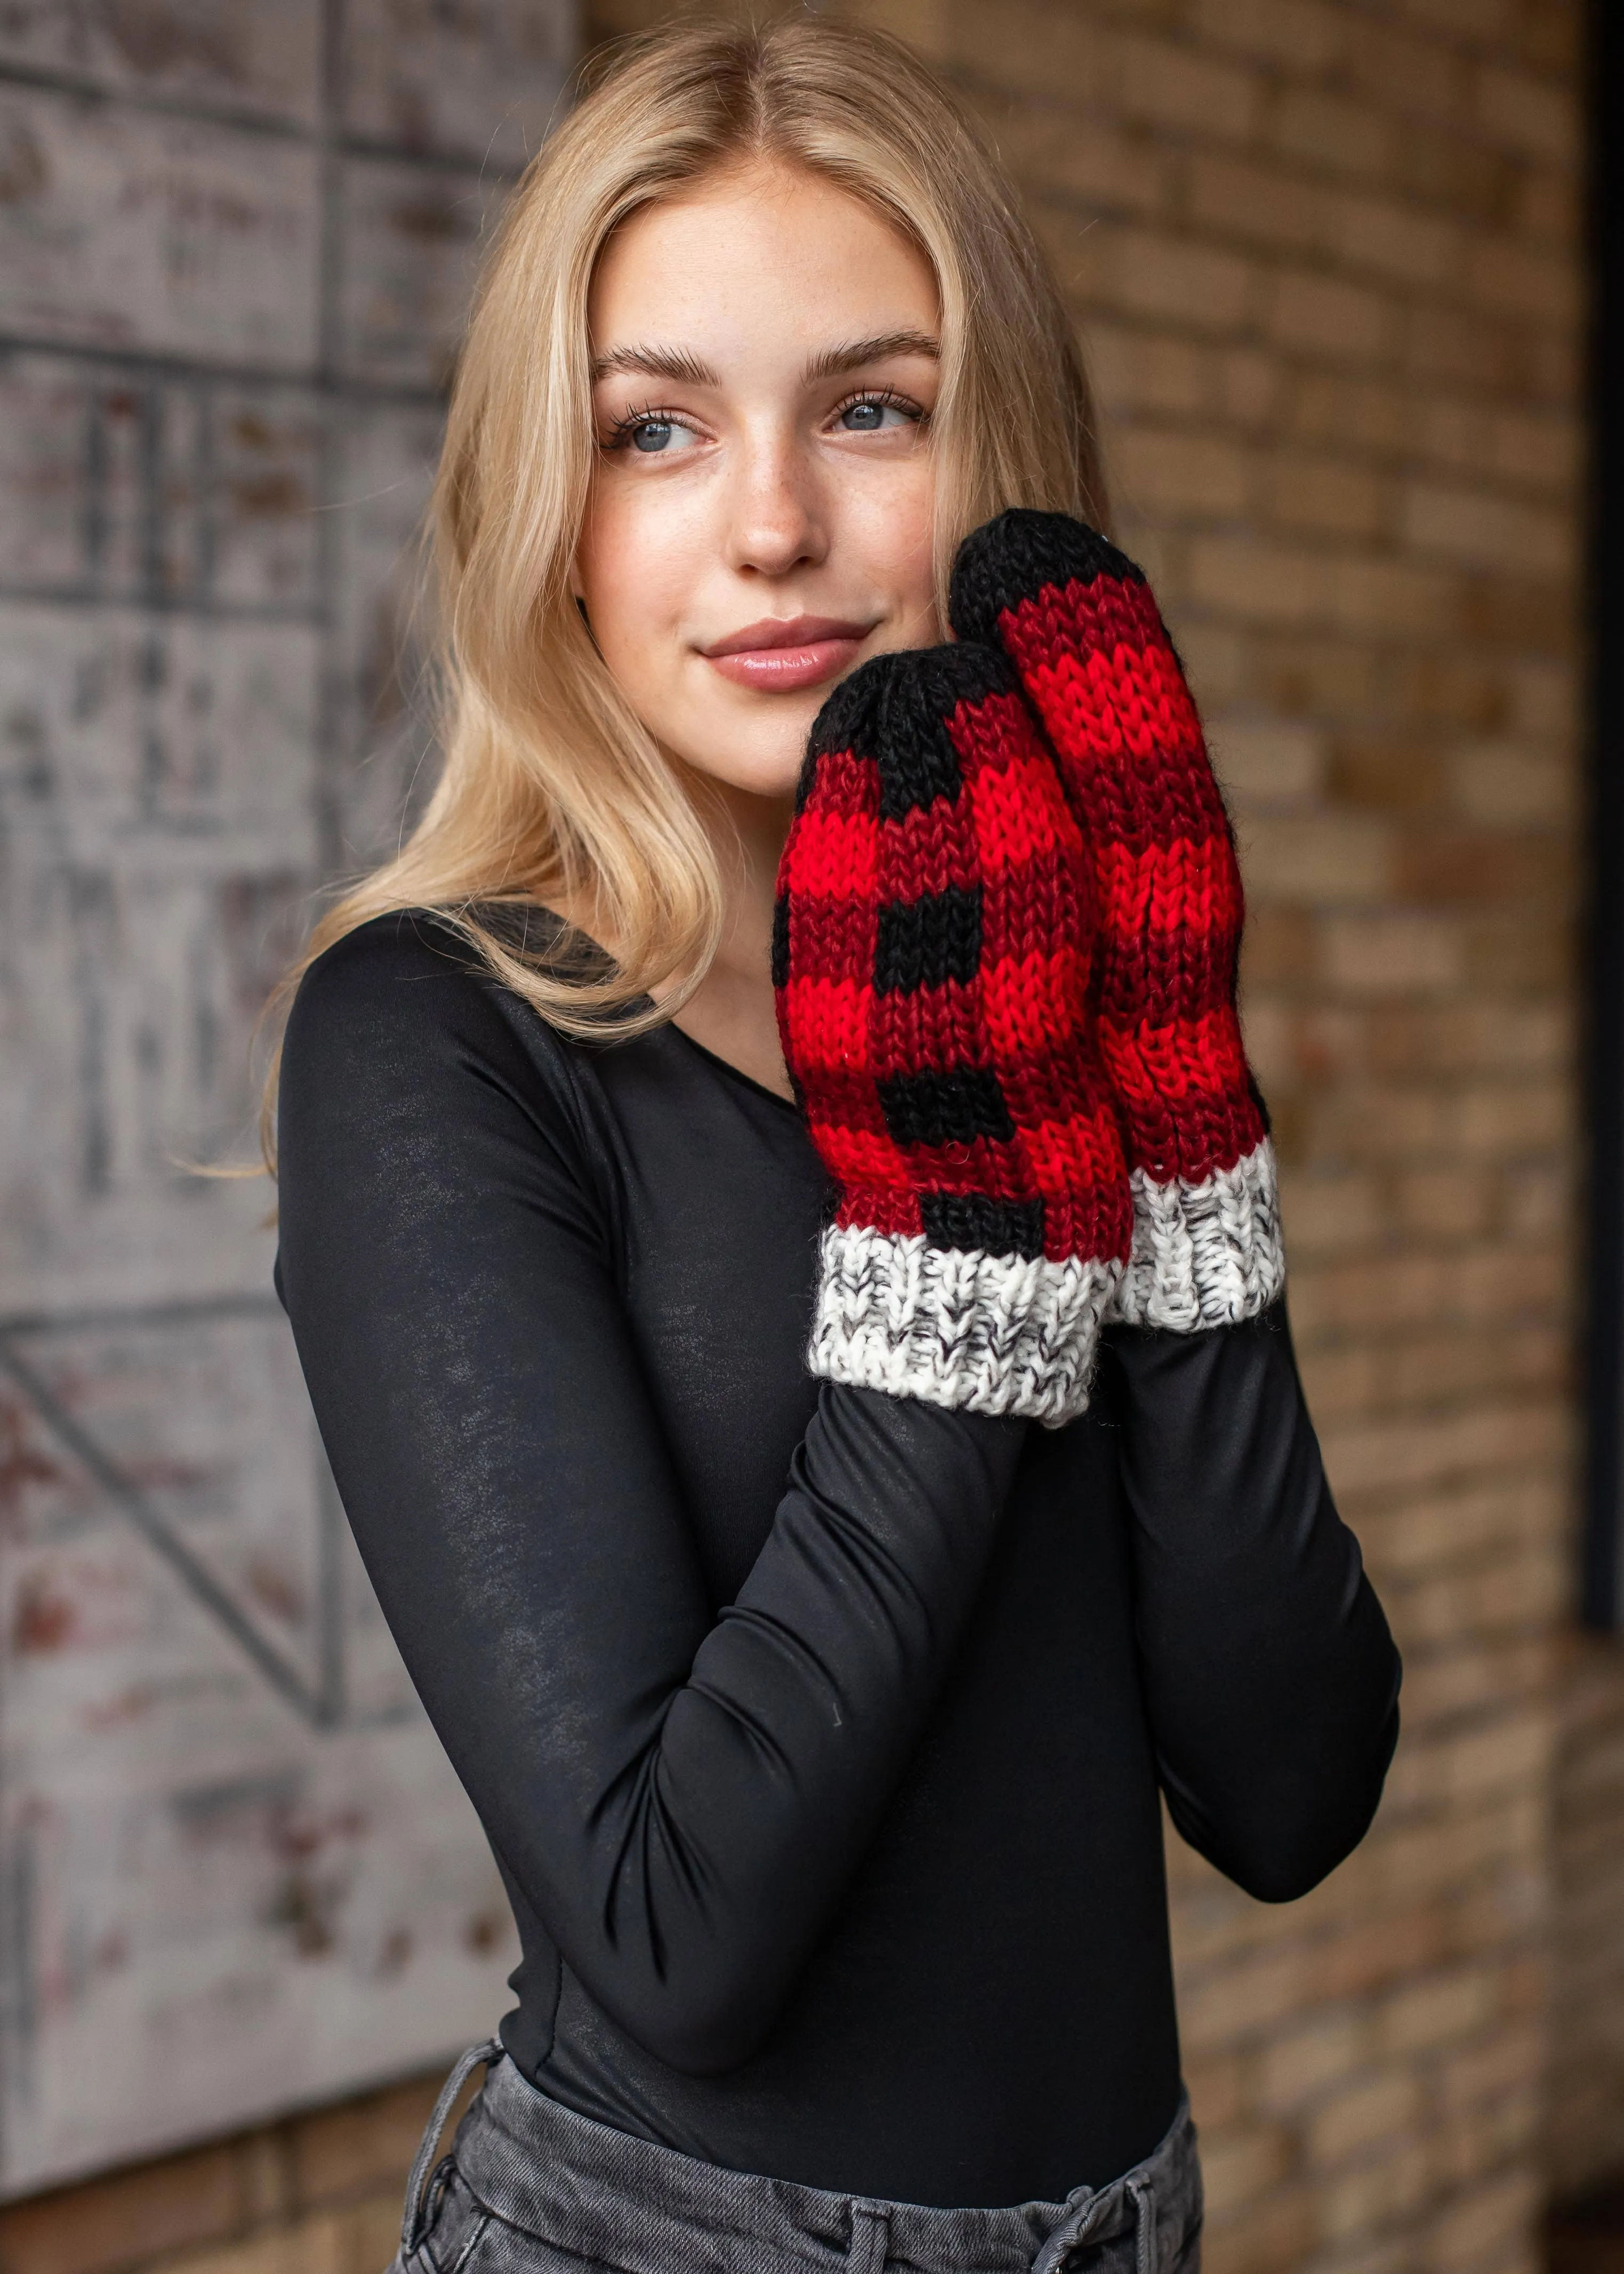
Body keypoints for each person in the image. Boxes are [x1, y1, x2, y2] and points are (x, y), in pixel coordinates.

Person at [272, 20, 1401, 2274]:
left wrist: (1164, 1076)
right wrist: (967, 1253)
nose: (772, 522)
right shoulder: (440, 1039)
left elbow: (1290, 1789)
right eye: (656, 429)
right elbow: (674, 1932)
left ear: (1000, 457)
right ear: (552, 508)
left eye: (867, 408)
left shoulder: (1059, 1000)